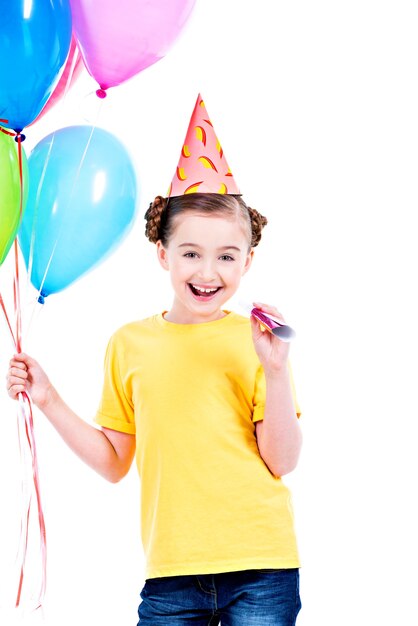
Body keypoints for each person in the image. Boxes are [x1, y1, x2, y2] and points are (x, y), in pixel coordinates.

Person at [6, 95, 303, 625]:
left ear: (248, 260)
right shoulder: (129, 344)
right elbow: (114, 462)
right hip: (171, 574)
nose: (207, 271)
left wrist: (277, 372)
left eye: (226, 256)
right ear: (163, 253)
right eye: (191, 253)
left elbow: (281, 460)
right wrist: (49, 400)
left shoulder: (256, 343)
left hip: (262, 568)